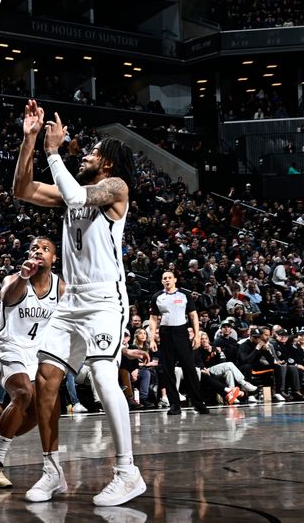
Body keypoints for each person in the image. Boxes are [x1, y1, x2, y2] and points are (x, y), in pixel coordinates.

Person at [12, 100, 149, 506]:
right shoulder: (78, 191)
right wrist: (30, 140)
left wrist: (53, 152)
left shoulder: (116, 188)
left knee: (105, 376)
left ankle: (128, 472)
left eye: (92, 152)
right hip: (71, 302)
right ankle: (52, 470)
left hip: (105, 299)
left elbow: (74, 197)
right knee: (47, 380)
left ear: (107, 163)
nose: (85, 154)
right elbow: (22, 189)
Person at [0, 236, 63, 488]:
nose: (39, 251)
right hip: (7, 346)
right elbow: (6, 297)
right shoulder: (14, 280)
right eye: (34, 248)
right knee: (23, 394)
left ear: (54, 258)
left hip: (37, 353)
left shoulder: (60, 287)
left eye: (45, 249)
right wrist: (24, 276)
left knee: (41, 409)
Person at [149, 271, 210, 416]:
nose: (167, 280)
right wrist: (152, 338)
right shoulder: (157, 297)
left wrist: (196, 335)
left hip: (181, 332)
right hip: (165, 333)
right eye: (164, 278)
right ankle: (174, 405)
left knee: (189, 368)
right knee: (168, 370)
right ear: (162, 281)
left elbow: (193, 315)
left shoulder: (184, 295)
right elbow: (153, 319)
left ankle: (198, 403)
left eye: (170, 277)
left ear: (175, 279)